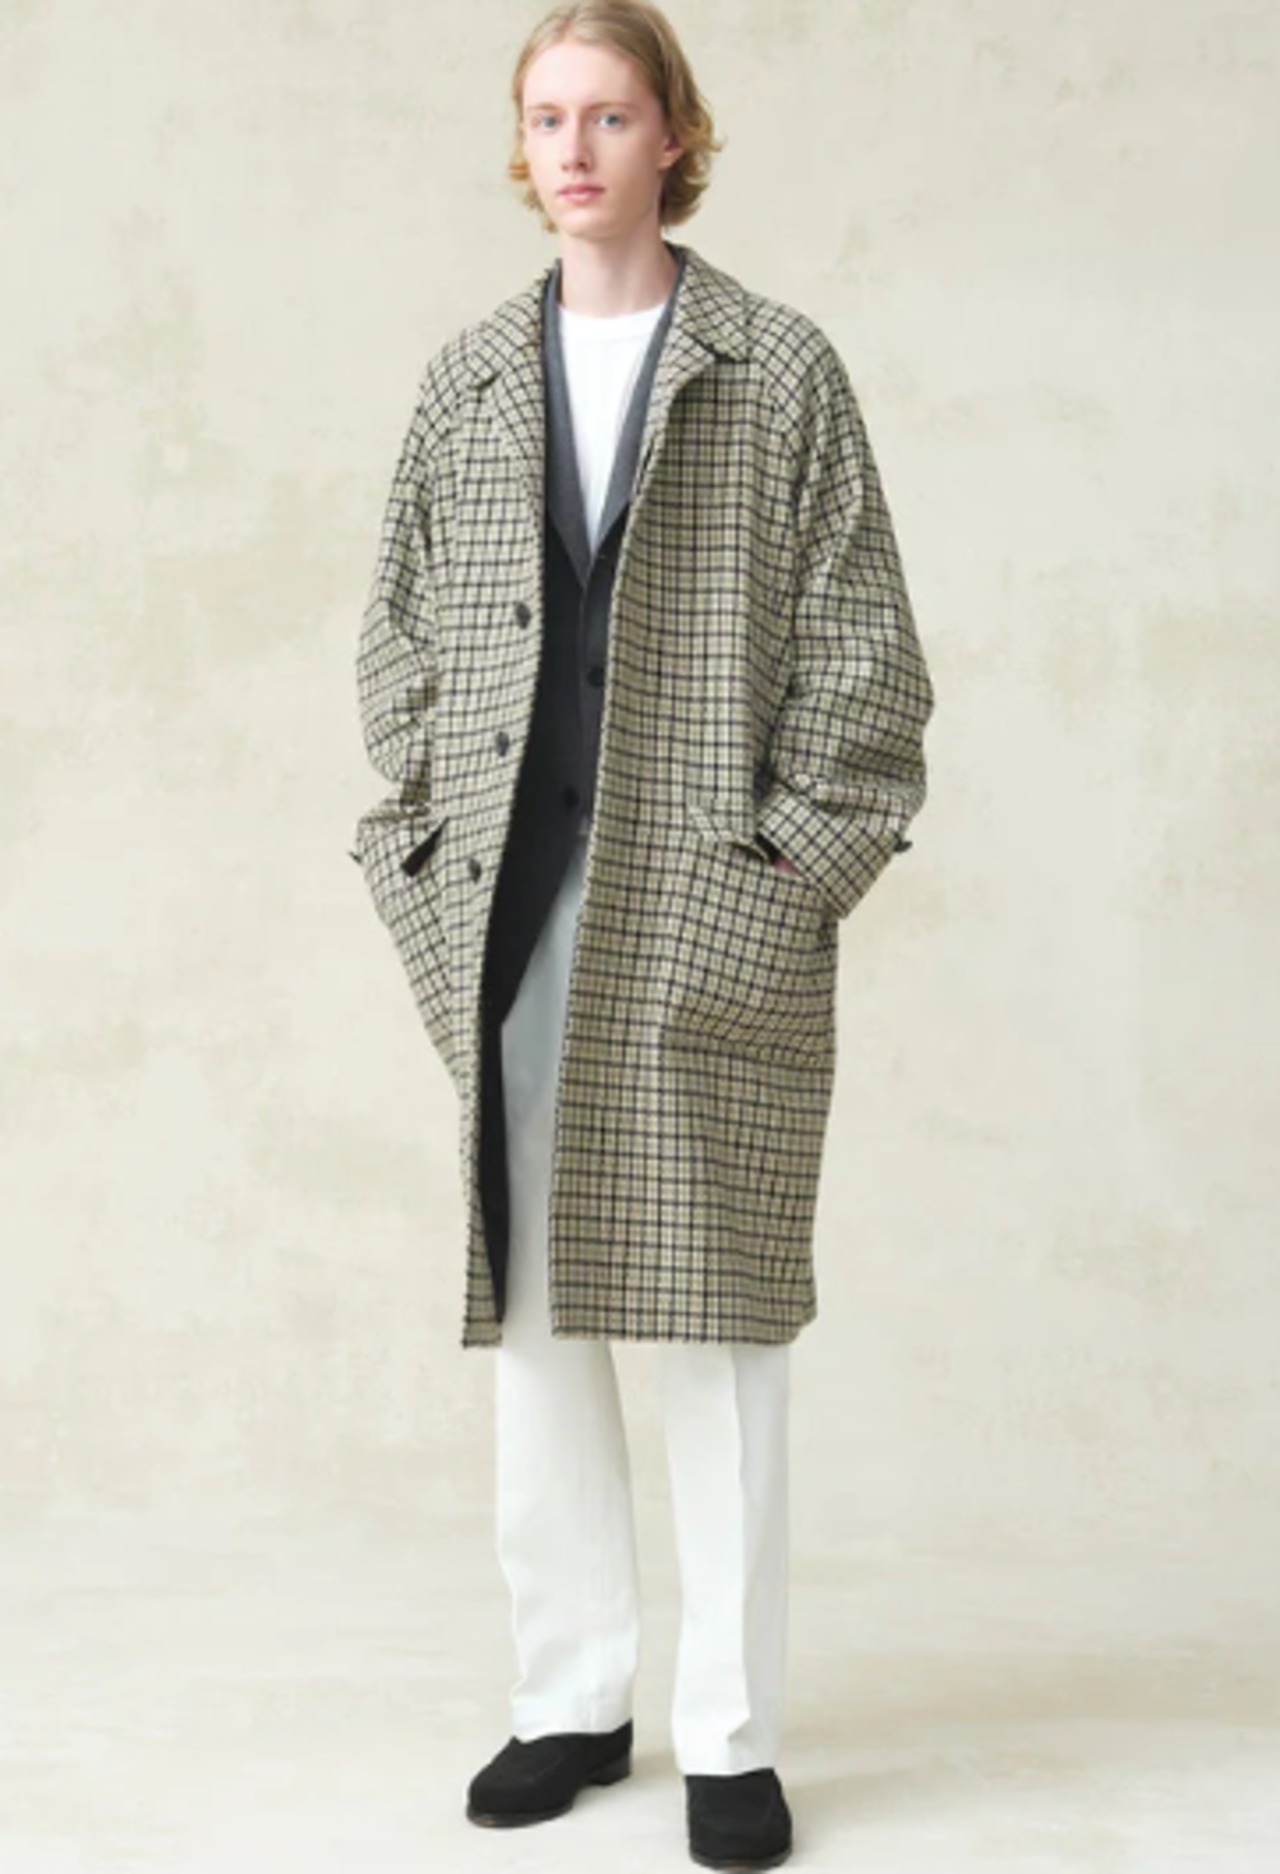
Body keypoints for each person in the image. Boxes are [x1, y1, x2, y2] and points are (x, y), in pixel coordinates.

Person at [351, 2, 932, 1865]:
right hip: (512, 895)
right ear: (520, 147)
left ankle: (733, 1732)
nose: (576, 149)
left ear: (676, 133)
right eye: (547, 118)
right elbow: (398, 633)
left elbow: (865, 654)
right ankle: (570, 1699)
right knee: (536, 1313)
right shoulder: (467, 380)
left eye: (611, 114)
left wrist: (786, 869)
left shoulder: (777, 368)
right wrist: (418, 841)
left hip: (704, 902)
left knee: (720, 1322)